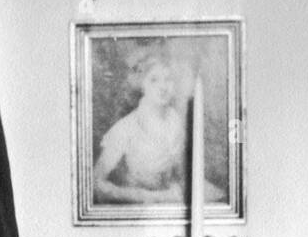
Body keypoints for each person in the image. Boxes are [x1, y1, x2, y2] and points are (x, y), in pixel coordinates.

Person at [92, 46, 225, 206]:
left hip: (174, 205)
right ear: (141, 84)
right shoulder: (125, 129)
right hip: (137, 210)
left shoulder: (175, 121)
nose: (163, 87)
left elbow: (183, 174)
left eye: (168, 79)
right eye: (154, 80)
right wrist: (144, 196)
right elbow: (96, 183)